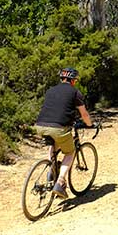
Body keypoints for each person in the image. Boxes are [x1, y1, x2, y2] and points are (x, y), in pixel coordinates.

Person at [34, 67, 93, 199]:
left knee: (54, 144)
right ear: (73, 81)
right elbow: (84, 114)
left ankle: (51, 169)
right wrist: (90, 124)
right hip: (59, 128)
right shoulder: (75, 92)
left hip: (40, 126)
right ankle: (60, 181)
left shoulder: (50, 90)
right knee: (70, 152)